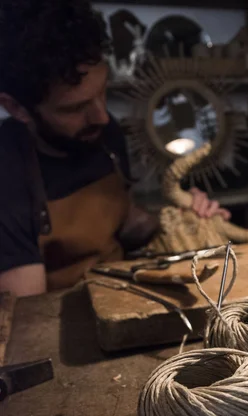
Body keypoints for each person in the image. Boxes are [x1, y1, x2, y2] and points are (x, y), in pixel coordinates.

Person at [0, 0, 230, 297]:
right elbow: (28, 319)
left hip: (123, 294)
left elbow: (122, 225)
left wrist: (179, 217)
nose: (102, 116)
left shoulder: (103, 133)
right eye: (75, 108)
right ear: (17, 108)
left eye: (102, 91)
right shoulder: (7, 172)